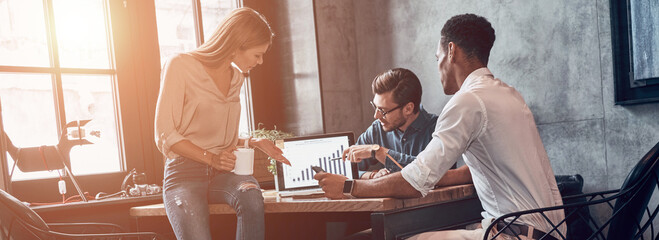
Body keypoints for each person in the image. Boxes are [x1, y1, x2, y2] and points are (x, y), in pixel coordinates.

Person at [315, 13, 565, 239]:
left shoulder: (467, 102)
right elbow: (462, 172)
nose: (438, 67)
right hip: (550, 232)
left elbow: (414, 182)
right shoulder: (509, 95)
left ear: (451, 51)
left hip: (514, 235)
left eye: (438, 58)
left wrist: (349, 186)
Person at [154, 7, 290, 240]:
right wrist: (211, 158)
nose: (260, 62)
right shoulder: (180, 65)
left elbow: (218, 138)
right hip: (184, 174)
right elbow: (165, 134)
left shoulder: (236, 78)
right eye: (257, 54)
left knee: (251, 196)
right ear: (237, 45)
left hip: (223, 173)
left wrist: (254, 141)